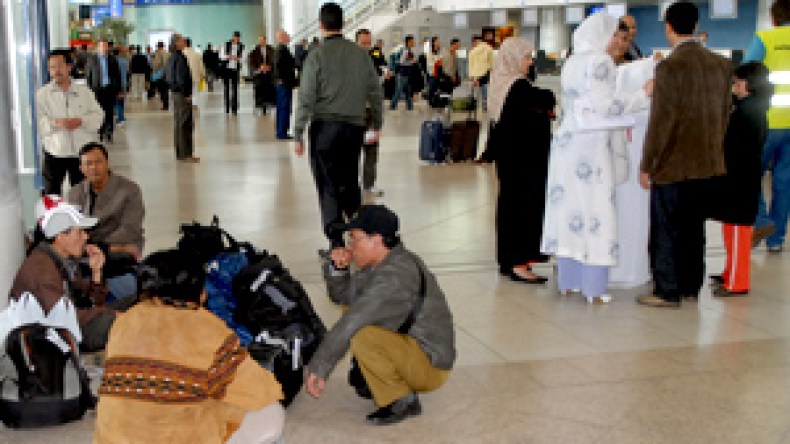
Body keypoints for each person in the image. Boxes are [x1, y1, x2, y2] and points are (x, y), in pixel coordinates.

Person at [93, 249, 285, 443]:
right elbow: (260, 391)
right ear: (200, 292)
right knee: (270, 412)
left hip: (114, 437)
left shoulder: (124, 322)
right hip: (180, 436)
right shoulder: (206, 327)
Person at [305, 205, 455, 426]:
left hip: (430, 365)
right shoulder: (383, 263)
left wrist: (319, 367)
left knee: (361, 333)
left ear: (376, 239)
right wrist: (338, 269)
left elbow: (352, 322)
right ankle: (385, 379)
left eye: (354, 239)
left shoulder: (394, 276)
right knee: (356, 313)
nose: (350, 246)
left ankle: (401, 400)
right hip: (413, 348)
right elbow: (343, 297)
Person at [541, 13, 652, 304]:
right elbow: (606, 107)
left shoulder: (573, 61)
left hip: (566, 145)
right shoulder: (600, 62)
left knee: (569, 212)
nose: (618, 41)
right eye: (614, 34)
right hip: (590, 150)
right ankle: (594, 287)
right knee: (596, 214)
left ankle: (570, 280)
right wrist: (643, 94)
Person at [637, 2, 732, 308]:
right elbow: (724, 115)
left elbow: (661, 122)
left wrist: (648, 163)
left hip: (674, 163)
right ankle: (692, 284)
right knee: (694, 228)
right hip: (708, 162)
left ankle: (667, 289)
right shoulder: (720, 64)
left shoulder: (669, 67)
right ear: (695, 25)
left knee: (666, 229)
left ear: (668, 27)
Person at [294, 2, 384, 254]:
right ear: (343, 24)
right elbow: (375, 92)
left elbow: (306, 97)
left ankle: (336, 242)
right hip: (354, 128)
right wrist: (377, 122)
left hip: (325, 129)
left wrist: (298, 131)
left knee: (328, 184)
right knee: (349, 180)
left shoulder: (317, 55)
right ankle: (357, 233)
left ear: (321, 25)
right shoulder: (360, 55)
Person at [9, 196, 136, 352]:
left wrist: (97, 271)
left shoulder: (62, 260)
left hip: (74, 323)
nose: (86, 237)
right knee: (127, 322)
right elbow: (65, 319)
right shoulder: (42, 271)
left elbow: (94, 304)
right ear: (60, 236)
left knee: (138, 303)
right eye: (80, 232)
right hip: (62, 337)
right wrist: (113, 314)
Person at [485, 37, 555, 284]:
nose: (530, 62)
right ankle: (518, 262)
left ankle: (509, 261)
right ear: (513, 59)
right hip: (523, 162)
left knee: (509, 206)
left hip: (510, 159)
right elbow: (546, 99)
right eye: (526, 57)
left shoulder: (500, 82)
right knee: (521, 208)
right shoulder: (518, 87)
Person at [708, 62, 772, 296]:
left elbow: (735, 147)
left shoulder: (748, 112)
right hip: (740, 178)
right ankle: (730, 273)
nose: (734, 86)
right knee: (732, 229)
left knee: (737, 232)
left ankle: (737, 282)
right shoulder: (750, 107)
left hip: (739, 180)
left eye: (737, 82)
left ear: (749, 84)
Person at [67, 142, 145, 300]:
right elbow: (72, 227)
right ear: (81, 168)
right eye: (88, 164)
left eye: (98, 162)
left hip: (120, 247)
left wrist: (103, 246)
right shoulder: (75, 193)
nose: (94, 168)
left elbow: (130, 228)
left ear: (107, 163)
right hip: (89, 250)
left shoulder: (129, 190)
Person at [744, 0, 790, 253]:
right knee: (784, 181)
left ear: (773, 19)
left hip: (768, 120)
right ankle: (777, 240)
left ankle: (762, 221)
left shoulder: (765, 39)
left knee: (752, 174)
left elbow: (746, 71)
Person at [608, 56, 658, 288]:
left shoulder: (629, 107)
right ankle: (632, 267)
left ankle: (627, 266)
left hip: (632, 167)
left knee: (633, 216)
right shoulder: (641, 108)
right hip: (634, 166)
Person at [37, 49, 103, 196]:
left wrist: (82, 121)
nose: (56, 71)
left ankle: (83, 218)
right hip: (55, 152)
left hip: (81, 153)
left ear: (69, 67)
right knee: (51, 195)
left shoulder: (84, 92)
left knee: (84, 195)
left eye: (59, 66)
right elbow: (37, 122)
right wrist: (56, 124)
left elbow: (98, 116)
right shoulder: (42, 95)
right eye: (52, 67)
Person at [356, 28, 385, 197]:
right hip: (354, 113)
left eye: (369, 43)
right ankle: (351, 186)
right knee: (352, 151)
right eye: (363, 43)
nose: (367, 46)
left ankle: (368, 184)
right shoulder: (351, 61)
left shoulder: (373, 58)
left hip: (370, 112)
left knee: (371, 149)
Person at [166, 33, 198, 163]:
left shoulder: (171, 57)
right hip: (181, 94)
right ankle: (187, 154)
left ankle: (180, 153)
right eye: (181, 39)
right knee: (185, 123)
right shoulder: (180, 58)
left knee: (179, 123)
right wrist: (186, 94)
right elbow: (181, 78)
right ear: (176, 43)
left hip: (175, 93)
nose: (184, 40)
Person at [85, 39, 122, 143]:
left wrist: (119, 90)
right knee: (99, 111)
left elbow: (117, 75)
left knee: (109, 111)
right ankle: (101, 131)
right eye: (102, 46)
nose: (104, 48)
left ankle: (109, 132)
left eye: (106, 46)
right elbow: (89, 76)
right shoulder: (92, 59)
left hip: (109, 89)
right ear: (98, 47)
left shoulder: (112, 59)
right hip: (97, 89)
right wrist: (89, 90)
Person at [273, 29, 297, 139]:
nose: (289, 36)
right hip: (283, 83)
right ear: (282, 37)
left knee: (283, 107)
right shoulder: (281, 50)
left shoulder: (283, 49)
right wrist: (280, 78)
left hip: (284, 82)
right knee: (284, 107)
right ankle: (282, 132)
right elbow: (278, 65)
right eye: (287, 35)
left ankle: (281, 131)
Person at [220, 31, 246, 115]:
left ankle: (234, 108)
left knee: (235, 89)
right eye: (235, 37)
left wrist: (238, 58)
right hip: (226, 69)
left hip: (235, 69)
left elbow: (244, 58)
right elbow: (221, 56)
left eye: (238, 37)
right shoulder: (226, 44)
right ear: (233, 37)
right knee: (226, 88)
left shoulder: (242, 46)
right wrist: (229, 56)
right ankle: (227, 107)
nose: (237, 39)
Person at [248, 35, 275, 115]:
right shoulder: (254, 51)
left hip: (269, 74)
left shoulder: (271, 50)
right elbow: (251, 63)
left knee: (269, 89)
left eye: (262, 40)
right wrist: (258, 68)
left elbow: (274, 60)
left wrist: (269, 67)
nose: (261, 42)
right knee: (259, 88)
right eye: (260, 40)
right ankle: (259, 105)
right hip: (259, 74)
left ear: (265, 40)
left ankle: (268, 105)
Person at [390, 35, 417, 111]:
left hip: (407, 74)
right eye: (412, 41)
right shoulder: (405, 50)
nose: (413, 43)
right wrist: (412, 62)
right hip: (402, 74)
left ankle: (410, 107)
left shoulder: (409, 50)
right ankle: (393, 106)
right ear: (408, 42)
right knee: (399, 91)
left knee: (408, 92)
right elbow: (401, 62)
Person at [468, 35, 494, 112]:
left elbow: (470, 64)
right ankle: (485, 105)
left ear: (476, 41)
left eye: (474, 42)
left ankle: (474, 104)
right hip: (485, 72)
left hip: (475, 73)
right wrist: (490, 69)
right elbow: (491, 61)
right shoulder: (489, 48)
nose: (473, 43)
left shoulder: (472, 51)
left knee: (475, 90)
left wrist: (471, 75)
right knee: (484, 88)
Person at [112, 47, 129, 129]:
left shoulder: (112, 61)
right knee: (121, 101)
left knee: (116, 102)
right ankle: (121, 116)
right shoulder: (124, 60)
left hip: (115, 84)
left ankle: (120, 118)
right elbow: (127, 71)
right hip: (124, 83)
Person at [150, 41, 170, 110]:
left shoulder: (158, 54)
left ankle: (165, 105)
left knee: (162, 90)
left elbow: (157, 64)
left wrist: (154, 70)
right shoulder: (167, 53)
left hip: (160, 74)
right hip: (166, 73)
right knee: (165, 89)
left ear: (158, 46)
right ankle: (166, 104)